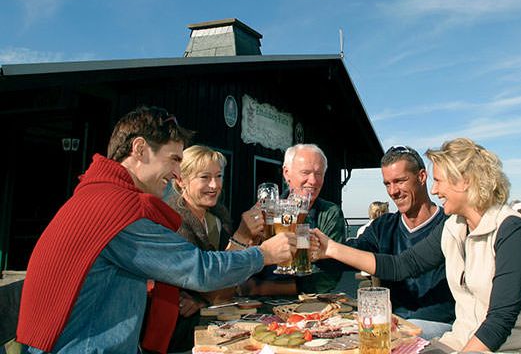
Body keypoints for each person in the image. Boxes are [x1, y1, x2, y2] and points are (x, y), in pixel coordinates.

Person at [16, 106, 295, 354]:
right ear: (139, 149)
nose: (177, 172)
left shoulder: (98, 195)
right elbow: (200, 270)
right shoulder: (116, 209)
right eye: (174, 159)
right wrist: (263, 254)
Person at [314, 138, 521, 352]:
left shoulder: (513, 231)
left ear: (465, 181)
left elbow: (499, 322)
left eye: (438, 180)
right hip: (462, 339)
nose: (435, 189)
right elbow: (402, 265)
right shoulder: (455, 226)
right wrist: (331, 248)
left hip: (513, 347)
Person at [345, 146, 454, 340]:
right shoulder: (383, 227)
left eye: (400, 181)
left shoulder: (450, 225)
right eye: (387, 184)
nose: (393, 191)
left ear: (422, 177)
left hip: (438, 326)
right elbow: (353, 253)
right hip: (392, 323)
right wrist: (317, 250)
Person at [165, 145, 265, 352]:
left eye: (218, 176)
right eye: (204, 177)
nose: (214, 185)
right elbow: (210, 280)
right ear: (180, 180)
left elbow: (226, 285)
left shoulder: (218, 217)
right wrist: (242, 237)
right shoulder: (172, 220)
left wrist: (253, 243)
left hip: (215, 324)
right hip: (178, 334)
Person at [245, 144, 347, 295]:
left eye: (319, 173)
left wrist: (263, 288)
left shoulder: (329, 212)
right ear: (287, 173)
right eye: (305, 172)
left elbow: (328, 278)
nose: (313, 181)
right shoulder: (267, 211)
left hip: (308, 305)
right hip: (258, 307)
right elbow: (247, 265)